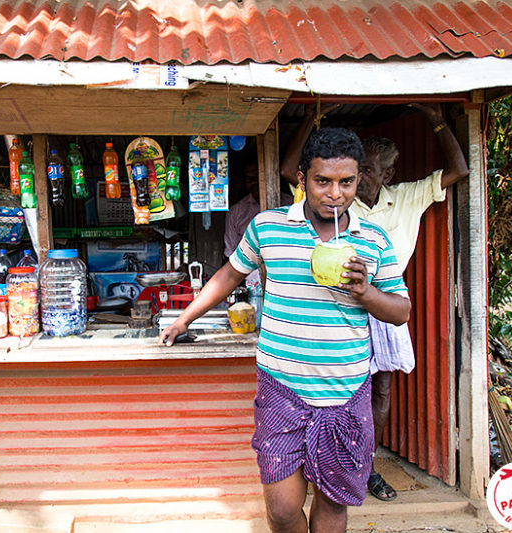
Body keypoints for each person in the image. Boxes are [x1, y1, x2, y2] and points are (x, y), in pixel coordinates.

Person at [160, 127, 411, 532]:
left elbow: (401, 311)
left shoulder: (373, 241)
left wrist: (365, 292)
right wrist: (184, 317)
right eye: (322, 181)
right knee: (280, 508)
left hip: (344, 392)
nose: (335, 193)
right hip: (282, 389)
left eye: (346, 182)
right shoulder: (268, 227)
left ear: (358, 179)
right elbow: (228, 274)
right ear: (302, 179)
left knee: (332, 504)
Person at [351, 103, 469, 502]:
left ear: (388, 174)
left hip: (387, 296)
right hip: (342, 297)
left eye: (367, 169)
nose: (359, 176)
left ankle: (367, 468)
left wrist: (436, 118)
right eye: (358, 167)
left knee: (381, 389)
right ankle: (338, 468)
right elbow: (287, 174)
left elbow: (459, 171)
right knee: (343, 388)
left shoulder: (407, 196)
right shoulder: (339, 198)